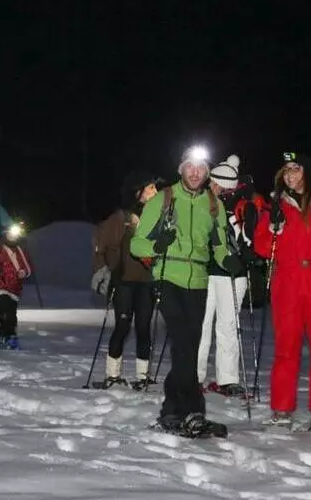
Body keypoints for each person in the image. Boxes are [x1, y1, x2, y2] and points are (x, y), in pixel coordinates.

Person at [131, 146, 243, 437]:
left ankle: (172, 410)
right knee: (183, 343)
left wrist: (227, 259)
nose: (195, 173)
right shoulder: (164, 199)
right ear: (180, 169)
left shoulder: (213, 203)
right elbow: (137, 244)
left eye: (201, 168)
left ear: (207, 172)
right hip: (168, 276)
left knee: (189, 348)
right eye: (190, 167)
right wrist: (157, 245)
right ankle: (193, 410)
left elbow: (218, 245)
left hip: (199, 281)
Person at [254, 152, 311, 433]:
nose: (290, 175)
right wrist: (273, 227)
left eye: (296, 169)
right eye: (286, 171)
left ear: (307, 172)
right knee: (286, 348)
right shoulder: (274, 207)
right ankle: (282, 412)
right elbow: (261, 247)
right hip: (288, 280)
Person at [197, 155, 263, 396]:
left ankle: (228, 379)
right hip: (203, 271)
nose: (217, 188)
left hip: (232, 274)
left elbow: (251, 239)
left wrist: (247, 254)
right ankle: (195, 377)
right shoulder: (202, 202)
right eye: (214, 184)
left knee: (228, 325)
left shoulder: (244, 204)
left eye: (221, 185)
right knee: (200, 324)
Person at [95, 171, 158, 388]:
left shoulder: (156, 215)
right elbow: (101, 244)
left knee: (143, 326)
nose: (155, 192)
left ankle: (143, 375)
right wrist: (101, 270)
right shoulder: (121, 217)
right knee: (122, 326)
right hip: (123, 280)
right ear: (137, 191)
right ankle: (112, 374)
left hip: (146, 281)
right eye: (150, 188)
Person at [0, 223, 33, 349]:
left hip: (14, 288)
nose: (12, 237)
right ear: (5, 235)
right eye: (9, 234)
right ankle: (7, 335)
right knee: (5, 310)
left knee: (11, 313)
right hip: (2, 286)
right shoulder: (0, 251)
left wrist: (24, 272)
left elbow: (29, 267)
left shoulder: (21, 251)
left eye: (14, 235)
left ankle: (9, 334)